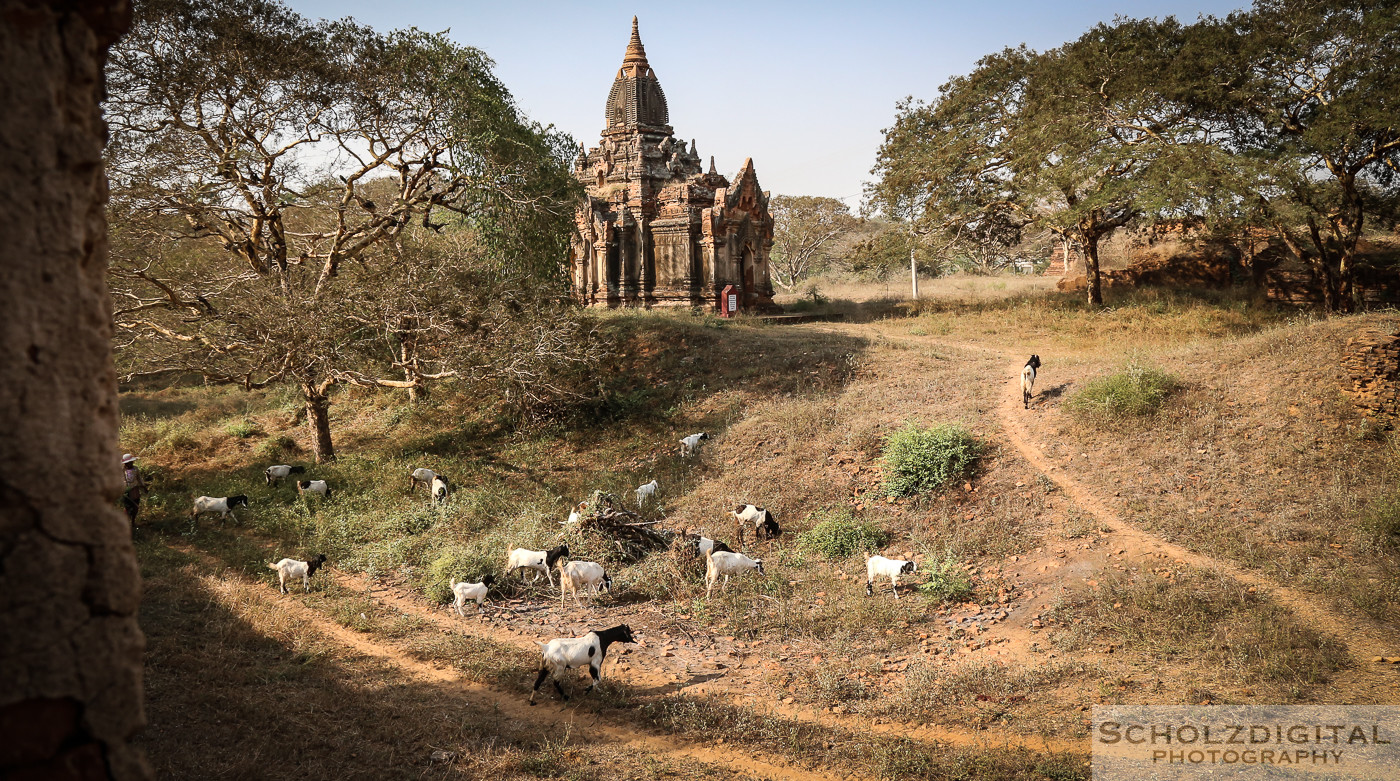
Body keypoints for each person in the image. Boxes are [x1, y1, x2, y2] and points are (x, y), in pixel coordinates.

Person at [121, 453, 146, 528]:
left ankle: (133, 522)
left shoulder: (136, 469)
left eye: (132, 462)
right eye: (129, 462)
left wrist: (143, 486)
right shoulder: (122, 470)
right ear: (126, 463)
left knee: (136, 506)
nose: (131, 463)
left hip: (135, 490)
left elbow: (139, 478)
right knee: (127, 507)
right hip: (127, 491)